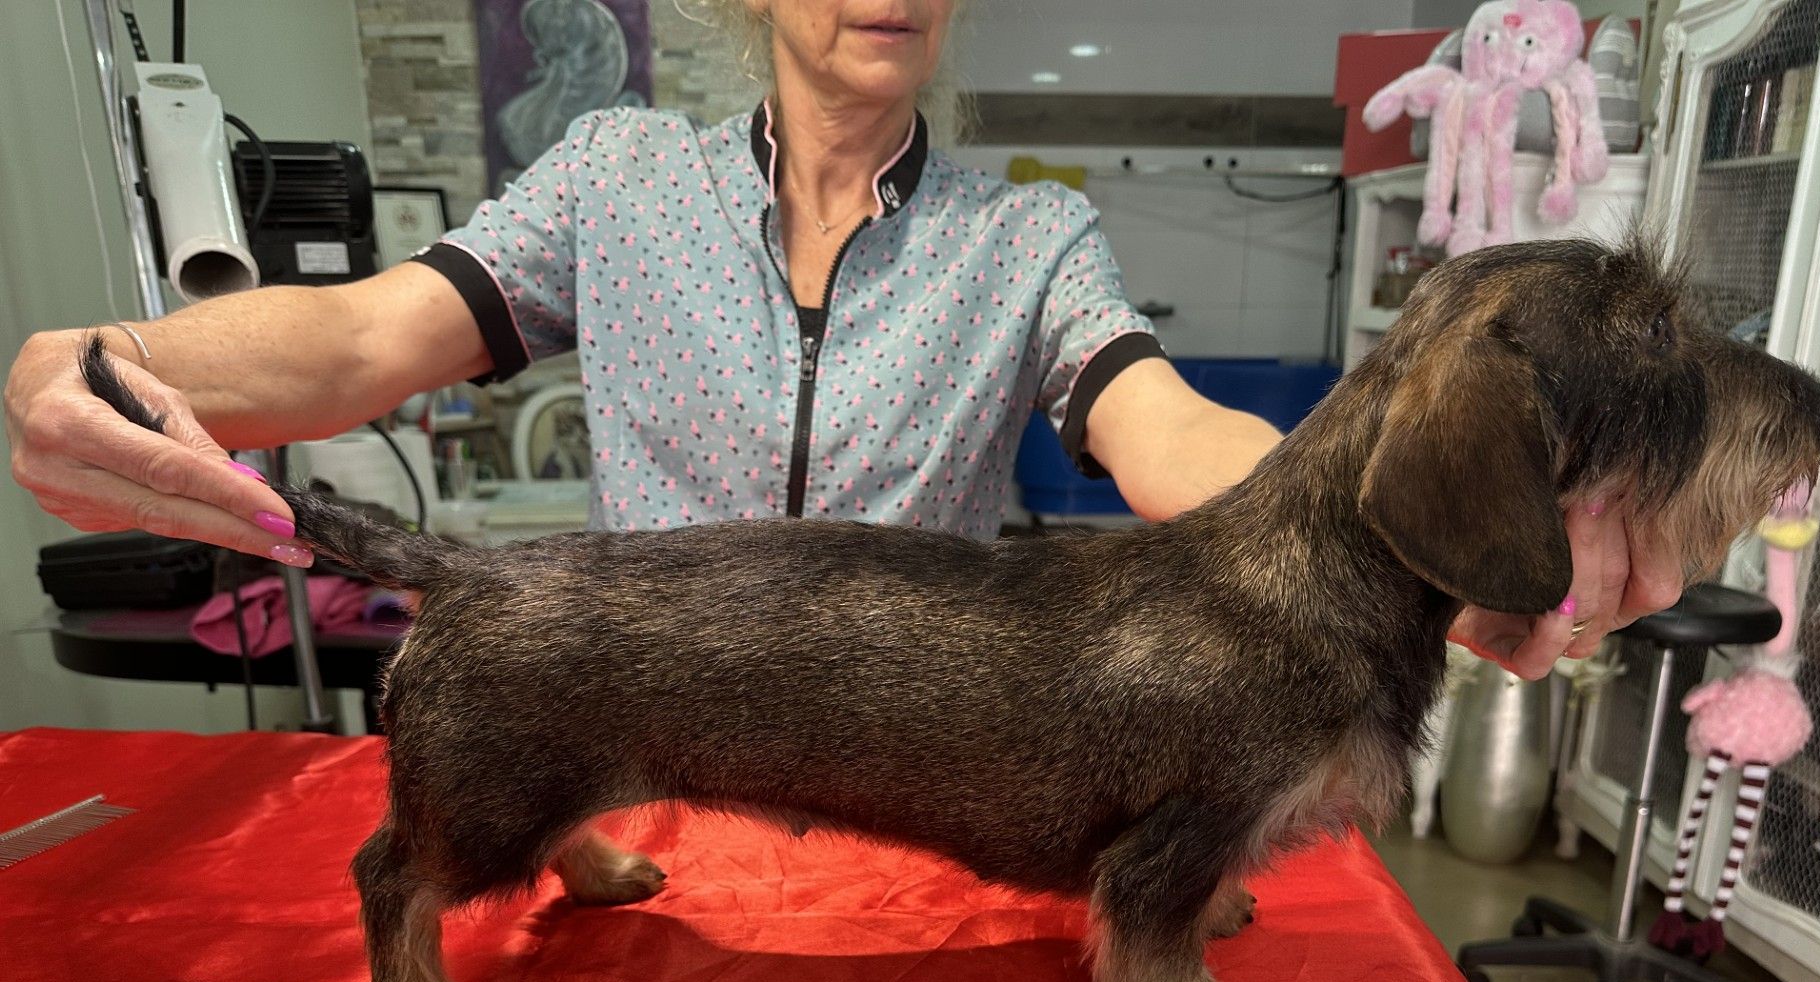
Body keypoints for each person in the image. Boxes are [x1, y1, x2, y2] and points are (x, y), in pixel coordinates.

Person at [2, 0, 1680, 681]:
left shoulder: (1026, 236)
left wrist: (1423, 542)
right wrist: (93, 360)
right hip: (637, 767)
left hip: (925, 779)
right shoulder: (613, 179)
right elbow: (364, 339)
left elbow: (1173, 441)